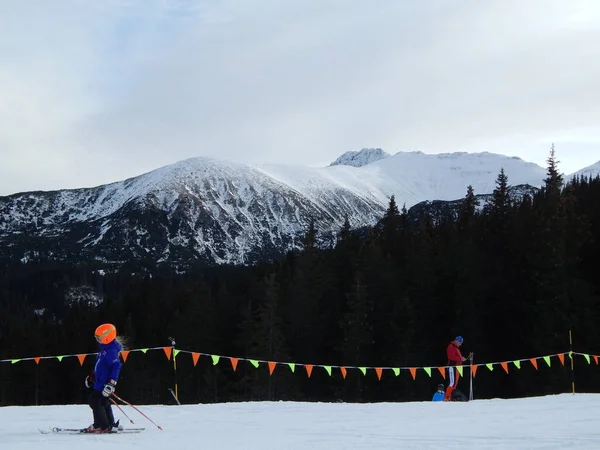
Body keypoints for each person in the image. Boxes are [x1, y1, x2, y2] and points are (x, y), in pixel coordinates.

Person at [83, 323, 123, 433]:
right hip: (99, 381)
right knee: (103, 402)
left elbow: (117, 366)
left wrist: (111, 383)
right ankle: (109, 424)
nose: (97, 340)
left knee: (95, 401)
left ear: (107, 337)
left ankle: (103, 426)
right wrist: (92, 377)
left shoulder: (110, 352)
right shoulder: (104, 348)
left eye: (98, 337)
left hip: (104, 384)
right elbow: (99, 365)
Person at [445, 336, 472, 401]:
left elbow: (457, 357)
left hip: (457, 367)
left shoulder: (456, 348)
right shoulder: (451, 347)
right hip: (452, 367)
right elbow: (451, 357)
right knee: (452, 383)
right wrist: (460, 358)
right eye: (460, 343)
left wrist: (461, 358)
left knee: (455, 383)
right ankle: (447, 397)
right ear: (457, 341)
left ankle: (451, 397)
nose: (460, 344)